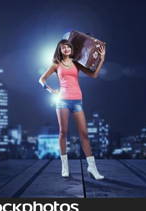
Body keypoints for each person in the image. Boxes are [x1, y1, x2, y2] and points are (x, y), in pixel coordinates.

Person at [38, 39, 106, 179]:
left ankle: (92, 168)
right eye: (63, 48)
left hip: (77, 101)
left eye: (68, 47)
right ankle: (65, 167)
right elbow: (41, 79)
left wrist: (102, 58)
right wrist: (51, 91)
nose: (66, 49)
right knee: (63, 132)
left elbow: (94, 75)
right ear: (60, 50)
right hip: (62, 101)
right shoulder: (56, 64)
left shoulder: (77, 63)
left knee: (84, 134)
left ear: (71, 49)